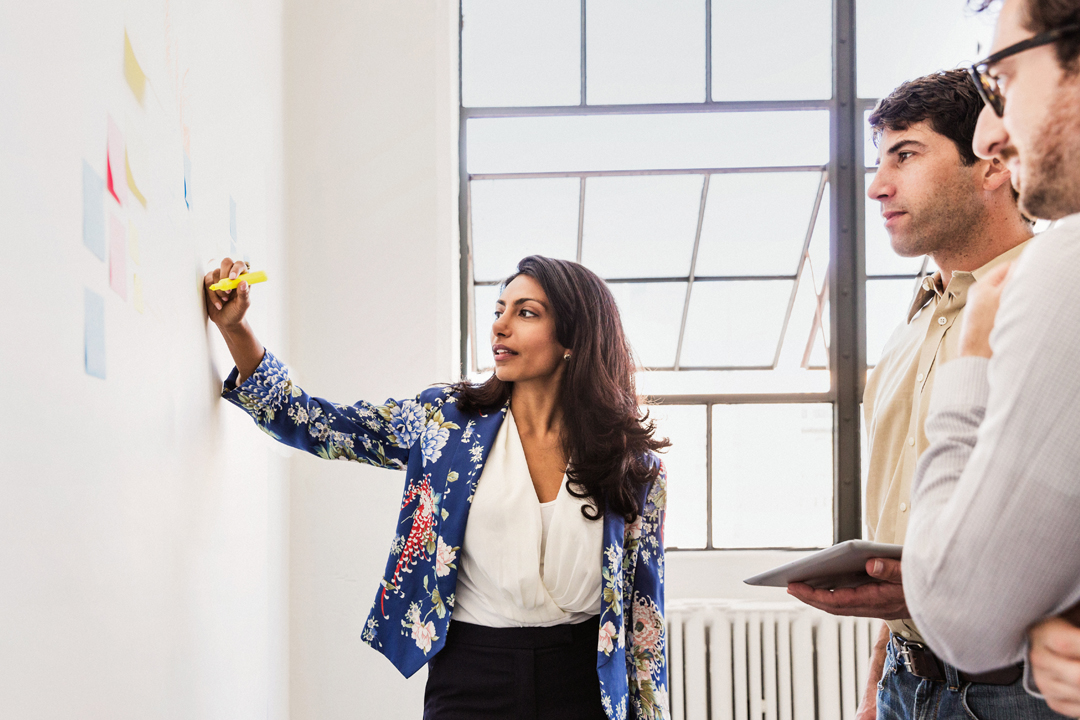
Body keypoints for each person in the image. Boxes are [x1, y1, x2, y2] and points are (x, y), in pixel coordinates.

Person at [203, 254, 670, 720]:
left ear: (575, 337)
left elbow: (645, 616)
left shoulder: (630, 462)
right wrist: (236, 330)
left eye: (525, 313)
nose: (500, 327)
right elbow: (318, 425)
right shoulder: (447, 423)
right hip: (471, 675)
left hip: (582, 683)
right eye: (498, 311)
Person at [786, 68, 1054, 719]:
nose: (878, 187)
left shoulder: (1051, 303)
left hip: (1022, 689)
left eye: (905, 155)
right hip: (911, 679)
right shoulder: (913, 327)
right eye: (881, 162)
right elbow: (911, 523)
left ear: (992, 162)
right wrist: (884, 675)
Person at [902, 0, 1080, 715]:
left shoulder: (1059, 267)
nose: (991, 134)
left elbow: (963, 617)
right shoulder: (908, 325)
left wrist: (973, 358)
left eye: (1002, 79)